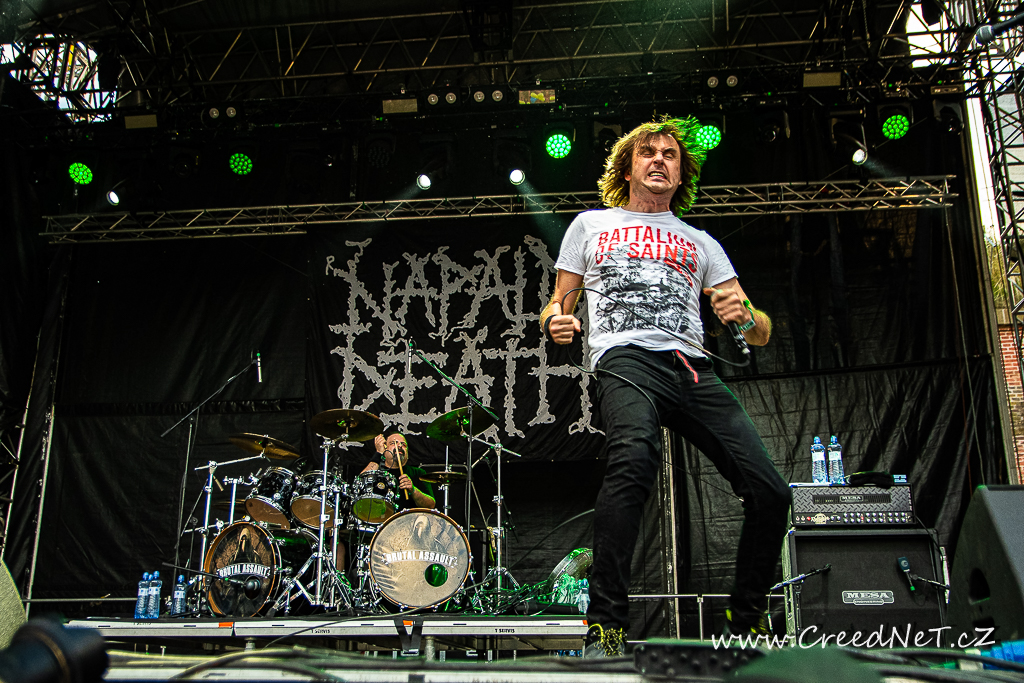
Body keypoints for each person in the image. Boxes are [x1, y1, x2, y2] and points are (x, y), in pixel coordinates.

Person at [540, 116, 791, 657]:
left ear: (681, 175)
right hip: (626, 357)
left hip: (692, 367)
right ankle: (606, 627)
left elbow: (761, 332)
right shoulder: (590, 225)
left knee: (771, 491)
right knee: (632, 464)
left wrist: (745, 315)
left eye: (670, 154)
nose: (659, 159)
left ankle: (746, 620)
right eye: (647, 152)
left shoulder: (702, 242)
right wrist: (554, 321)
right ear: (627, 168)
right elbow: (558, 303)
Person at [362, 430, 436, 511]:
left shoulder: (418, 473)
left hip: (409, 518)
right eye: (393, 443)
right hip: (379, 517)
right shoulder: (376, 471)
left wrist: (413, 490)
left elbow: (431, 505)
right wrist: (379, 453)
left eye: (403, 444)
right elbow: (360, 484)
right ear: (385, 448)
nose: (399, 446)